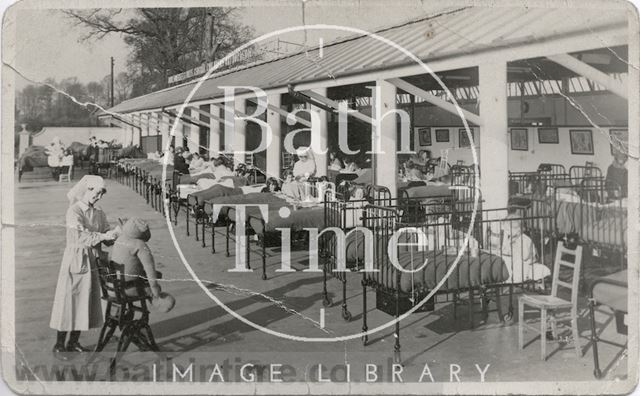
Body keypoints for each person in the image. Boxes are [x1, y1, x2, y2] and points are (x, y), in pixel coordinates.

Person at [49, 176, 117, 359]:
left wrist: (114, 236)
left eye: (102, 193)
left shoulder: (99, 212)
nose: (99, 197)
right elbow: (82, 237)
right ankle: (59, 345)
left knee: (85, 301)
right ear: (87, 190)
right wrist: (104, 237)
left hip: (93, 260)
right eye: (97, 193)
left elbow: (105, 234)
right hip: (76, 260)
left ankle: (73, 342)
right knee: (69, 301)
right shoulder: (74, 211)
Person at [110, 218, 162, 299]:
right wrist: (155, 290)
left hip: (112, 287)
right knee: (154, 286)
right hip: (129, 289)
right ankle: (158, 303)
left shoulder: (120, 239)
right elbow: (150, 270)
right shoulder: (140, 245)